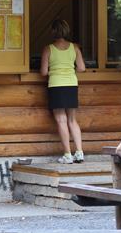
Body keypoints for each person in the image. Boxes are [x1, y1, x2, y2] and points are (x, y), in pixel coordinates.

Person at [40, 19, 87, 164]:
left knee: (61, 119)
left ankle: (67, 155)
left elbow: (43, 72)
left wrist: (54, 70)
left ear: (53, 31)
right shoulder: (75, 48)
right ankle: (79, 152)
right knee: (72, 120)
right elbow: (82, 68)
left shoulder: (48, 49)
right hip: (71, 84)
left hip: (56, 85)